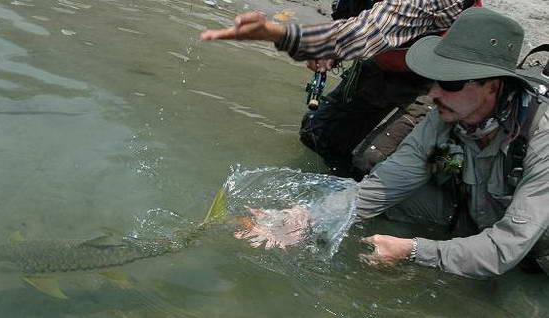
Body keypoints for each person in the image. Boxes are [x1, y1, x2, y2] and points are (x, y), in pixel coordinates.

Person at [352, 8, 549, 278]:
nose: (433, 93)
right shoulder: (445, 116)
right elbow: (385, 183)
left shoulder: (542, 137)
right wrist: (310, 216)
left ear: (492, 87)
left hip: (531, 251)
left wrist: (413, 250)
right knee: (388, 198)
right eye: (434, 79)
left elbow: (505, 249)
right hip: (474, 213)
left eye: (449, 82)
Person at [201, 0, 480, 179]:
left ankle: (443, 167)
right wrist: (331, 51)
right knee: (318, 136)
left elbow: (368, 32)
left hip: (446, 79)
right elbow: (350, 18)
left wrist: (282, 34)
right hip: (390, 61)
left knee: (371, 164)